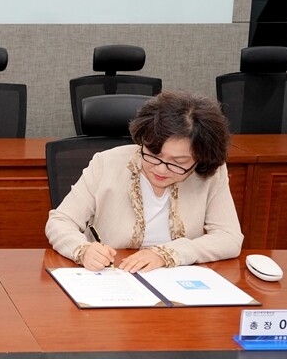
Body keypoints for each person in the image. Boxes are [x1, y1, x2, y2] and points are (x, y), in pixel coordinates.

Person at [45, 90, 242, 273]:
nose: (161, 169)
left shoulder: (211, 174)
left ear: (201, 159)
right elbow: (60, 221)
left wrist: (168, 254)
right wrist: (83, 249)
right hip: (115, 275)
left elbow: (229, 238)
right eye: (154, 155)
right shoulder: (106, 163)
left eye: (178, 162)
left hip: (177, 280)